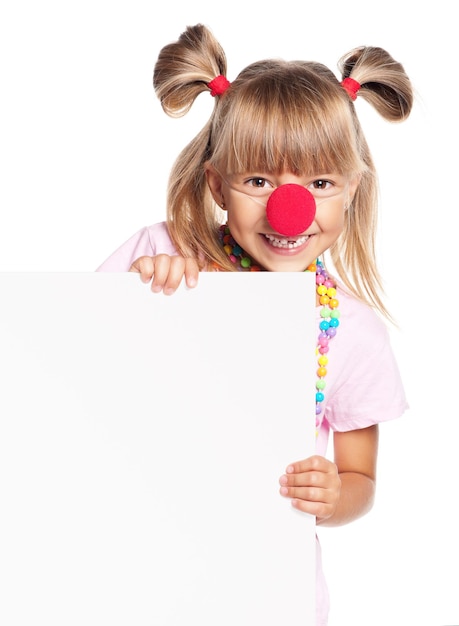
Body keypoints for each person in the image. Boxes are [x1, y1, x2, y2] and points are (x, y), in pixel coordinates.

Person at [97, 23, 412, 625]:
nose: (288, 210)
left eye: (319, 183)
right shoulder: (159, 252)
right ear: (217, 183)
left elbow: (360, 477)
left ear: (351, 189)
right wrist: (134, 297)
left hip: (269, 593)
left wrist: (333, 496)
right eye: (260, 181)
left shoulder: (352, 328)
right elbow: (69, 372)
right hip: (143, 573)